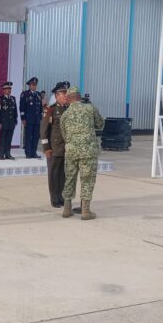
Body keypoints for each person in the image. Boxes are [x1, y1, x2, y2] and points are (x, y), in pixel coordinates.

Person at [60, 86, 104, 220]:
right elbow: (100, 124)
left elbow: (64, 134)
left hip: (71, 151)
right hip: (88, 151)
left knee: (69, 179)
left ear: (68, 98)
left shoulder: (65, 114)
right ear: (79, 96)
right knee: (87, 179)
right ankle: (85, 211)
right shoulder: (90, 108)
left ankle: (67, 209)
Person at [40, 82, 70, 208]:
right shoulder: (50, 109)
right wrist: (46, 148)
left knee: (63, 175)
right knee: (53, 174)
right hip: (54, 148)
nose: (66, 96)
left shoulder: (69, 109)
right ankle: (54, 199)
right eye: (63, 94)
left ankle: (62, 197)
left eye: (66, 93)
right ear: (57, 96)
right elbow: (43, 131)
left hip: (66, 149)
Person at [19, 76, 43, 158]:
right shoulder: (25, 94)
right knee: (28, 137)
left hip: (37, 120)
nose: (34, 86)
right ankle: (28, 153)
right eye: (33, 85)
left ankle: (34, 153)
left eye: (35, 85)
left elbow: (40, 108)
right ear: (29, 85)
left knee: (36, 137)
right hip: (28, 120)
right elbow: (22, 107)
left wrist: (40, 117)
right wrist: (23, 118)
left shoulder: (38, 95)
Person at [0, 81, 18, 160]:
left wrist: (15, 120)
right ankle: (1, 154)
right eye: (7, 89)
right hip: (3, 123)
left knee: (9, 139)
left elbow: (15, 111)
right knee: (3, 139)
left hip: (11, 123)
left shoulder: (13, 99)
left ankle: (8, 154)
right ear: (3, 90)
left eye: (10, 89)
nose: (9, 90)